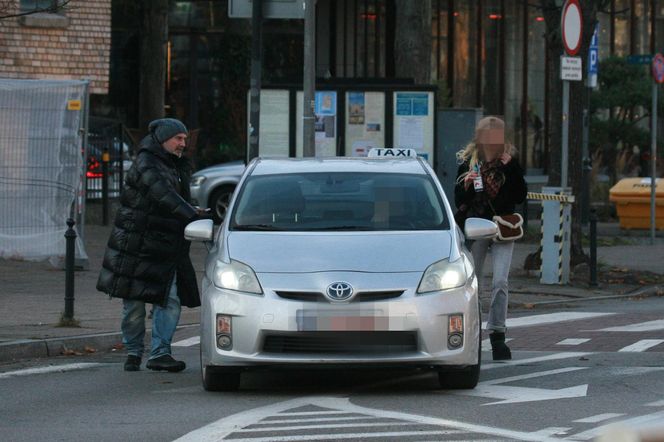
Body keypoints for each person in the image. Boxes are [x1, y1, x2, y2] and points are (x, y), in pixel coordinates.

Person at [97, 118, 207, 372]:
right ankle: (133, 351)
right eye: (178, 138)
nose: (183, 143)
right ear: (163, 138)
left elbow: (174, 198)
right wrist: (191, 214)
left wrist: (192, 211)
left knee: (170, 299)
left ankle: (160, 352)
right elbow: (162, 194)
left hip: (167, 246)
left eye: (184, 138)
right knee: (134, 304)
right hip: (136, 246)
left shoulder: (177, 165)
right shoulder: (146, 162)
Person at [454, 116, 527, 361]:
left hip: (503, 227)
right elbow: (459, 201)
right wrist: (465, 186)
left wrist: (509, 168)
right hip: (477, 227)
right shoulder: (468, 162)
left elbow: (520, 195)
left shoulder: (509, 161)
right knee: (472, 283)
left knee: (500, 282)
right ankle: (472, 335)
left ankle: (498, 336)